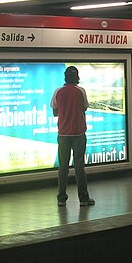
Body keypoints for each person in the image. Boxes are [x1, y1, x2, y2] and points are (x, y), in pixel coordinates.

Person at [50, 66, 95, 207]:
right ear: (77, 78)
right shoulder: (81, 91)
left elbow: (55, 111)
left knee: (63, 167)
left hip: (63, 134)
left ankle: (61, 199)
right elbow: (85, 107)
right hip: (79, 134)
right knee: (79, 167)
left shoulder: (58, 91)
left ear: (65, 77)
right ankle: (83, 199)